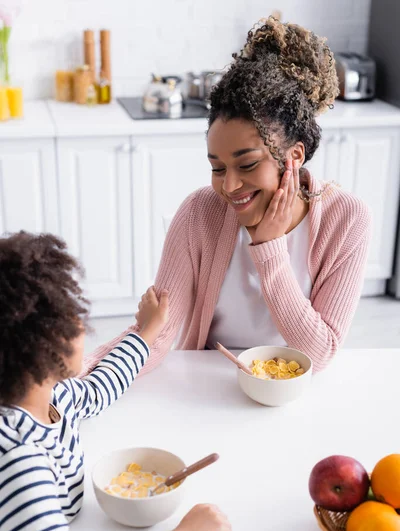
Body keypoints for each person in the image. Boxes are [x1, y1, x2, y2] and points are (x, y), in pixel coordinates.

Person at [82, 17, 371, 377]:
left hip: (292, 397)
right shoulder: (200, 213)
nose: (230, 186)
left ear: (294, 156)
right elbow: (157, 335)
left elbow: (319, 353)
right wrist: (70, 379)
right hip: (207, 384)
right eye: (217, 168)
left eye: (247, 165)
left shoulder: (346, 219)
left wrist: (269, 247)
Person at [0, 231, 232, 531]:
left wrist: (147, 332)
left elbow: (100, 387)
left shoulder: (51, 396)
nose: (83, 328)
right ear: (45, 344)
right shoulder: (20, 460)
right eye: (74, 316)